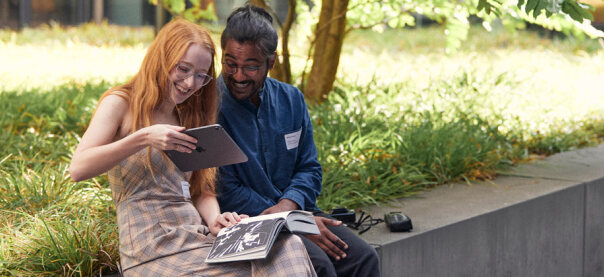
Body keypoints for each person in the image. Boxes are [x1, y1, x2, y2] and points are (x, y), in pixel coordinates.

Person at [68, 19, 315, 276]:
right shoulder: (121, 103)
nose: (190, 83)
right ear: (162, 59)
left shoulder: (188, 116)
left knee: (289, 246)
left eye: (200, 75)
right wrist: (143, 138)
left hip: (197, 237)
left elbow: (201, 190)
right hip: (150, 249)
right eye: (183, 69)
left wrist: (215, 219)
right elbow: (78, 168)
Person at [215, 4, 380, 277]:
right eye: (230, 64)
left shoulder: (291, 99)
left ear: (272, 62)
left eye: (251, 67)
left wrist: (290, 207)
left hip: (297, 212)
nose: (239, 76)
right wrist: (289, 220)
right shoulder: (211, 107)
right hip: (245, 224)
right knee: (318, 265)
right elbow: (224, 189)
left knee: (363, 259)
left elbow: (309, 168)